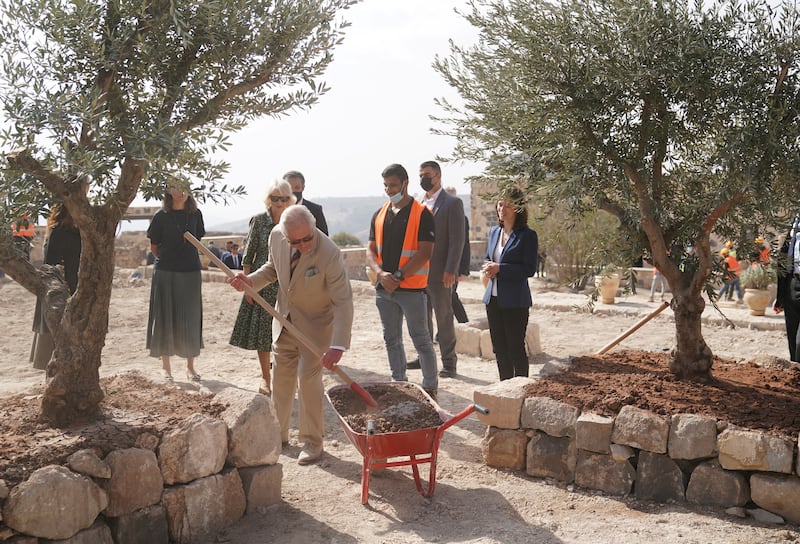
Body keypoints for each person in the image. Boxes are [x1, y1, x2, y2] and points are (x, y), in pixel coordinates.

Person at [229, 204, 353, 465]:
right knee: (281, 380)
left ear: (313, 227)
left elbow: (343, 301)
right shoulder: (276, 236)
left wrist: (338, 346)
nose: (304, 244)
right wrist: (251, 281)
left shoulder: (329, 253)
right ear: (285, 236)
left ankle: (312, 441)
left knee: (309, 383)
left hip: (316, 327)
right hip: (283, 320)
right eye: (296, 241)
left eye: (308, 238)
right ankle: (279, 434)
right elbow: (273, 269)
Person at [367, 163, 438, 399]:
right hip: (383, 289)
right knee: (391, 339)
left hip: (411, 290)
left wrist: (398, 276)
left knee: (421, 339)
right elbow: (370, 250)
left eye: (393, 185)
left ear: (405, 184)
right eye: (386, 185)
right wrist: (380, 274)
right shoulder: (379, 214)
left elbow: (424, 253)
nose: (389, 189)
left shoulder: (422, 214)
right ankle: (399, 384)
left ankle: (429, 387)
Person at [229, 180, 295, 396]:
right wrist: (249, 286)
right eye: (275, 198)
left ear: (290, 199)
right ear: (269, 199)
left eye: (283, 198)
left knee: (286, 332)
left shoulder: (293, 220)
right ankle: (266, 379)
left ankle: (284, 378)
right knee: (263, 334)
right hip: (262, 280)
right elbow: (249, 254)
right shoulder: (258, 221)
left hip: (287, 281)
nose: (279, 202)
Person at [146, 185, 205, 383]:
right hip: (165, 272)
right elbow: (154, 247)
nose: (180, 192)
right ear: (168, 192)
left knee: (190, 317)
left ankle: (190, 367)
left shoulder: (196, 214)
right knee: (165, 317)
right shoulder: (160, 216)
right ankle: (166, 368)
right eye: (175, 187)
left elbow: (198, 240)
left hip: (190, 272)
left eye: (184, 187)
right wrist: (167, 261)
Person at [480, 189, 538, 381]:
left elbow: (529, 269)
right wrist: (489, 267)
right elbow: (491, 257)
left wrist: (501, 269)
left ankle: (520, 388)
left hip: (515, 301)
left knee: (515, 347)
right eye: (500, 204)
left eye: (508, 205)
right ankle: (504, 386)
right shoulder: (494, 232)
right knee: (499, 348)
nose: (502, 209)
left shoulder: (528, 235)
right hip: (493, 299)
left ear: (518, 208)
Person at [416, 160, 465, 378]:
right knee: (422, 319)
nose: (423, 178)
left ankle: (449, 363)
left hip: (441, 274)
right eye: (420, 175)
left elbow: (457, 240)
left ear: (438, 175)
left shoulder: (451, 204)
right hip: (419, 274)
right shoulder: (418, 203)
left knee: (444, 318)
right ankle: (423, 358)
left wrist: (451, 270)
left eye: (427, 174)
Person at [30, 203, 81, 370]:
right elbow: (50, 267)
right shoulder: (59, 233)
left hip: (73, 289)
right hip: (59, 293)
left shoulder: (77, 233)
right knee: (54, 344)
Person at [775, 216, 800, 361]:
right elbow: (783, 259)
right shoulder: (795, 222)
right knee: (792, 335)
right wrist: (781, 297)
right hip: (792, 284)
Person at [445, 186, 470, 324]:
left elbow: (464, 244)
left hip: (455, 266)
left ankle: (464, 323)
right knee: (446, 298)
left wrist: (464, 269)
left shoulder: (462, 219)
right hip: (442, 266)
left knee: (451, 296)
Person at [283, 170, 329, 236]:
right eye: (289, 188)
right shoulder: (278, 210)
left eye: (297, 187)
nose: (293, 191)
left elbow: (324, 238)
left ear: (303, 188)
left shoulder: (315, 210)